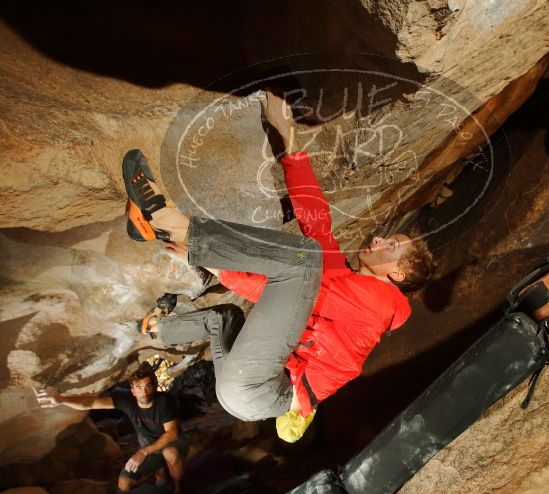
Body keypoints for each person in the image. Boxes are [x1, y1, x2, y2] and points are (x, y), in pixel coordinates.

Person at [123, 90, 435, 442]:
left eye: (391, 247)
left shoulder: (383, 305)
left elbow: (289, 293)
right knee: (223, 317)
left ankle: (165, 217)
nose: (380, 240)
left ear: (398, 275)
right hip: (242, 389)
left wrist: (213, 262)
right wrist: (288, 136)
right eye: (387, 237)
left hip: (263, 388)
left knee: (304, 262)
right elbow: (314, 217)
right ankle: (155, 329)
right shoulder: (343, 277)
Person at [36, 363, 186, 494]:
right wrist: (61, 399)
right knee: (124, 482)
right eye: (139, 388)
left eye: (148, 386)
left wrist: (143, 453)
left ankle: (179, 492)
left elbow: (172, 434)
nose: (144, 392)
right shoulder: (127, 401)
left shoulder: (164, 401)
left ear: (154, 386)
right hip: (150, 451)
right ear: (133, 391)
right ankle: (158, 474)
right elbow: (91, 402)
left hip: (173, 444)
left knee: (170, 452)